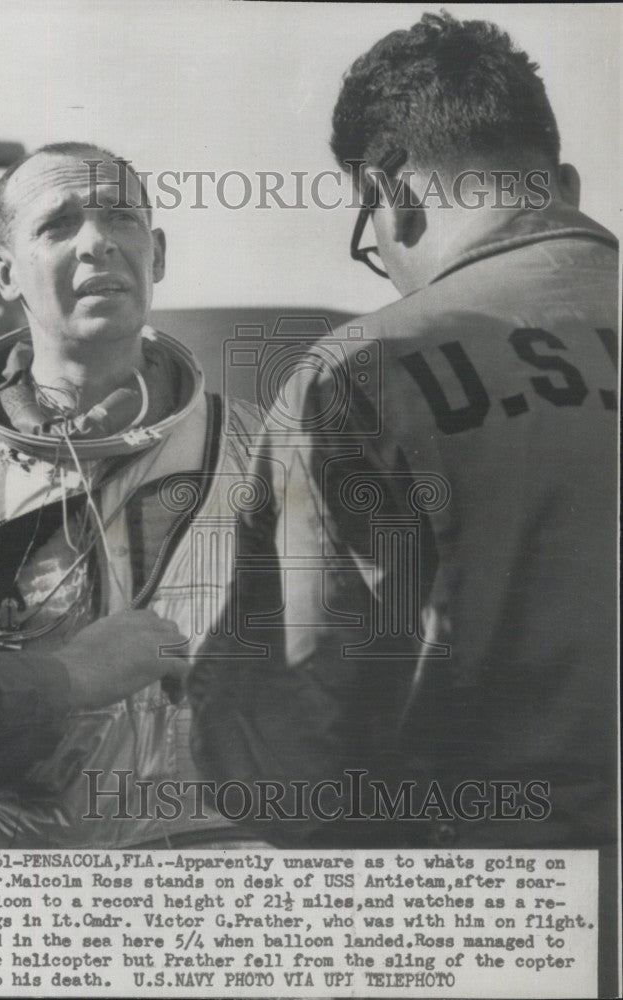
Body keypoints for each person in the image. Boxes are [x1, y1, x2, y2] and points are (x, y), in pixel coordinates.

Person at [190, 11, 618, 858]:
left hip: (513, 923)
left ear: (388, 192)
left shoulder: (360, 376)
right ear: (562, 184)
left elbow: (301, 765)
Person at [0, 142, 263, 849]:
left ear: (155, 253)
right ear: (5, 273)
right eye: (58, 224)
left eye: (120, 218)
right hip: (14, 886)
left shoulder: (259, 448)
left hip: (215, 868)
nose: (97, 242)